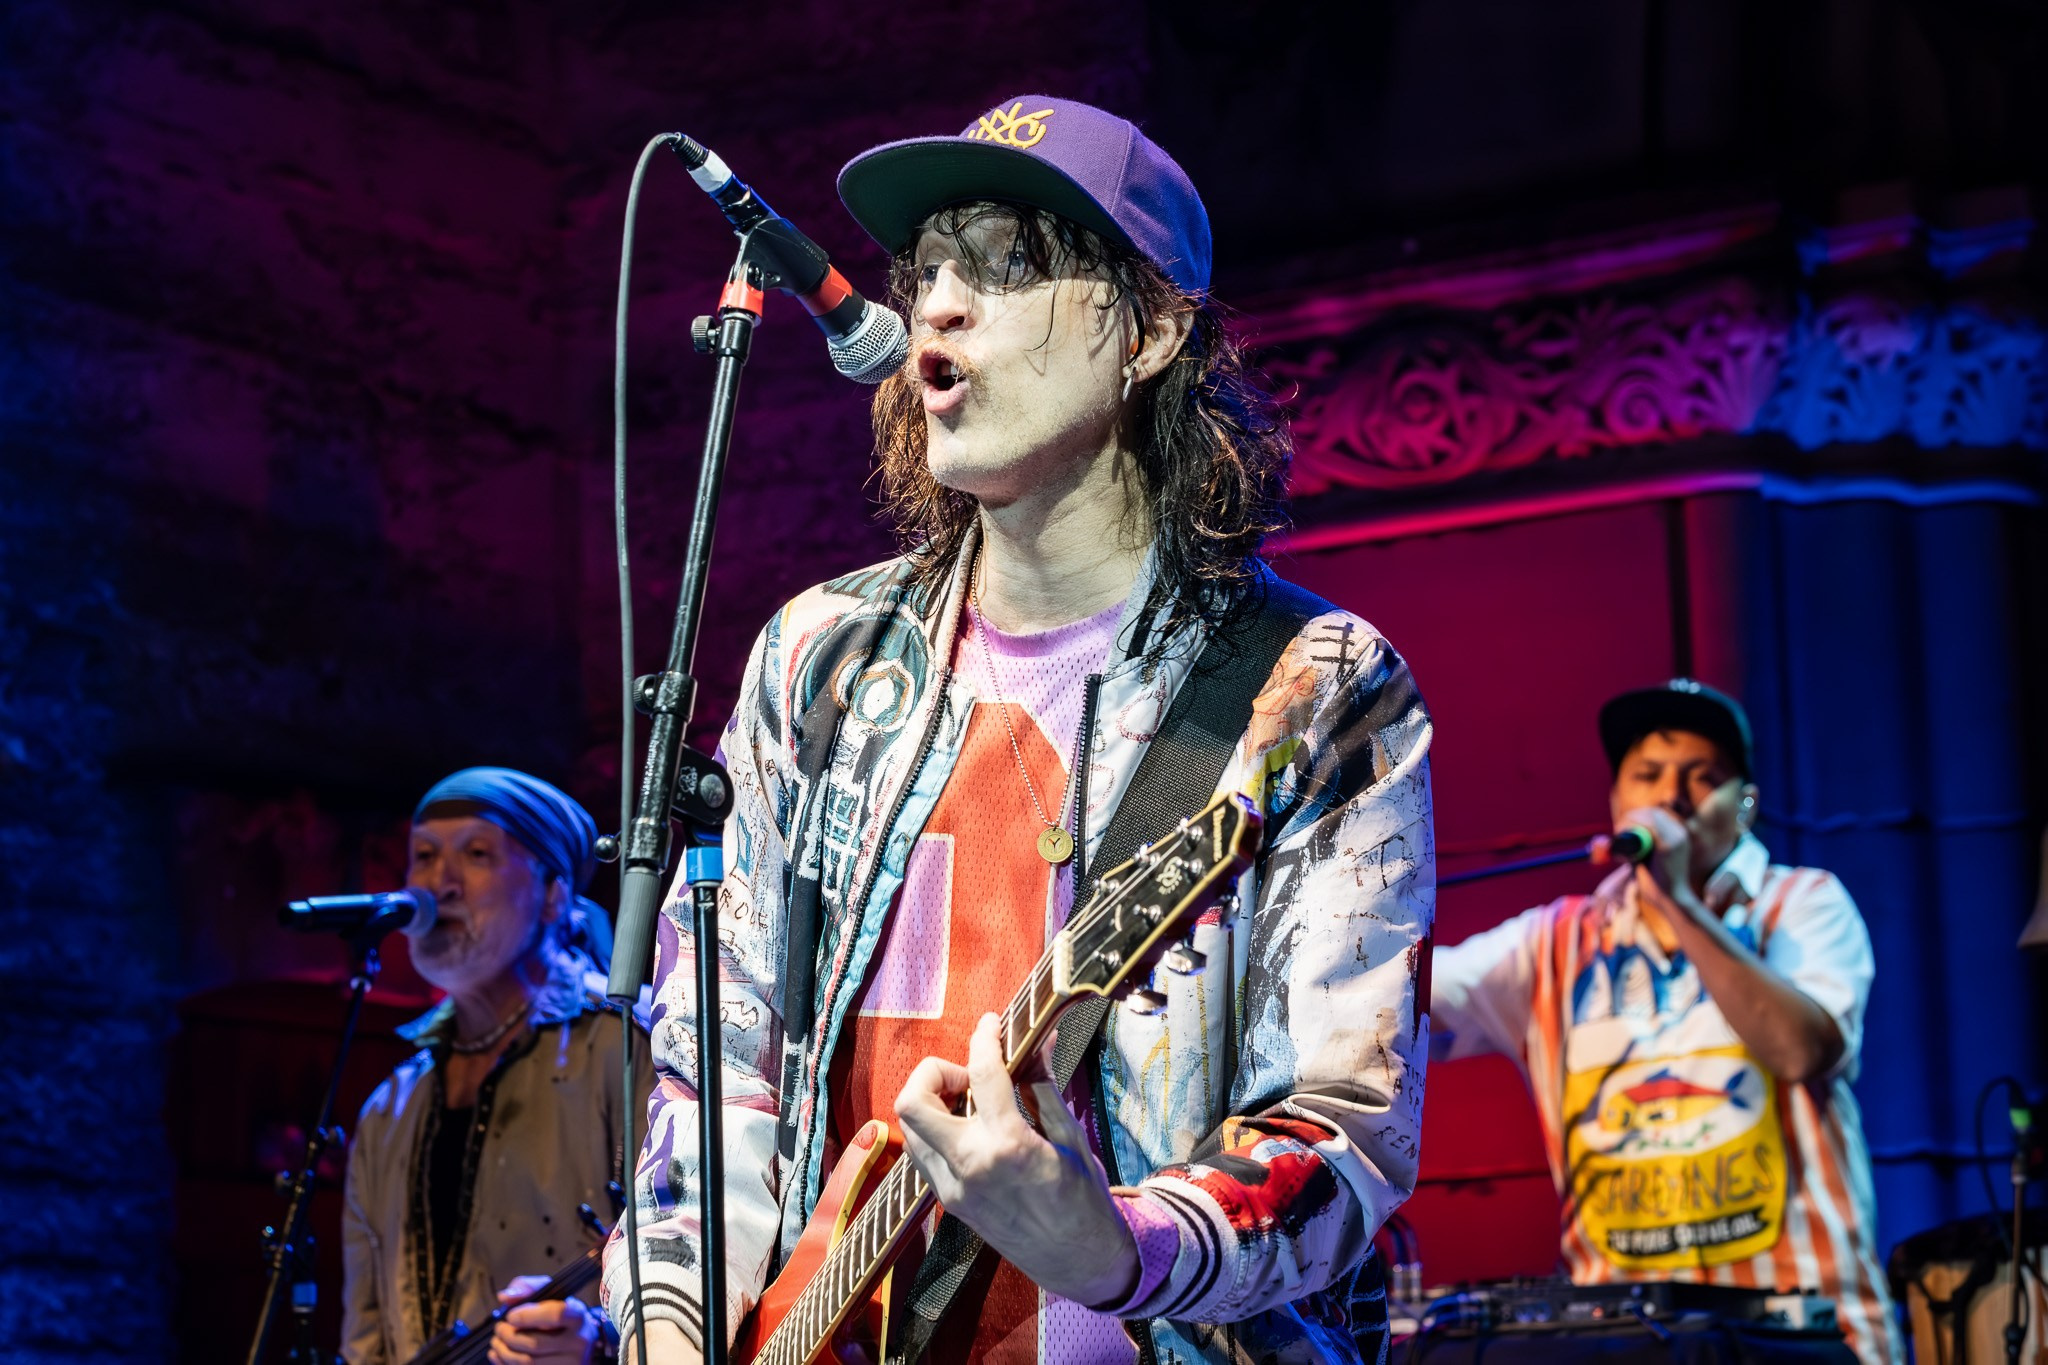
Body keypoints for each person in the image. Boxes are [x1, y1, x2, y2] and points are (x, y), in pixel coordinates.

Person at [602, 96, 1435, 1363]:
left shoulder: (1309, 688)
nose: (936, 304)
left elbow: (1339, 1129)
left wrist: (1111, 1248)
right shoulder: (817, 660)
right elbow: (718, 1069)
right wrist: (671, 1329)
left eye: (1004, 264)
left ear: (1150, 330)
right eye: (927, 267)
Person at [1430, 680, 1901, 1362]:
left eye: (1700, 776)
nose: (1671, 794)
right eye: (1646, 774)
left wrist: (1676, 896)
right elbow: (1405, 996)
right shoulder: (1551, 942)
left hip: (1805, 1334)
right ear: (1617, 802)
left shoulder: (1802, 905)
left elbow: (1800, 1049)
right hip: (1628, 1339)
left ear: (1744, 805)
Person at [341, 767, 656, 1364]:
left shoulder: (630, 1044)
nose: (439, 886)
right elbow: (367, 1337)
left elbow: (704, 1264)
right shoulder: (389, 1107)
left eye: (477, 854)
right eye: (425, 857)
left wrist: (602, 1344)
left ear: (552, 894)